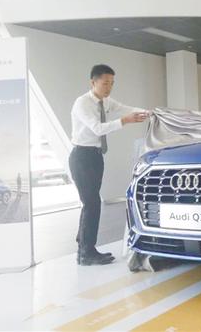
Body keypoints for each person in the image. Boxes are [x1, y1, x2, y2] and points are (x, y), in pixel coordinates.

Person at [69, 64, 148, 265]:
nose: (109, 87)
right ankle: (86, 252)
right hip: (81, 157)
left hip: (96, 156)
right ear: (93, 82)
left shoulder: (105, 101)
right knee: (92, 203)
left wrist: (147, 113)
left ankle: (83, 246)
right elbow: (97, 128)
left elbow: (124, 108)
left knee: (91, 202)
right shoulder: (82, 103)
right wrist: (125, 121)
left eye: (112, 83)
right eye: (105, 83)